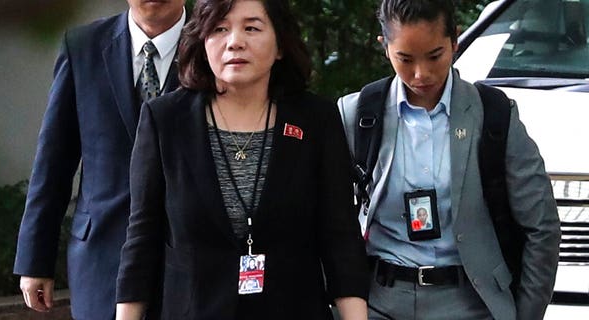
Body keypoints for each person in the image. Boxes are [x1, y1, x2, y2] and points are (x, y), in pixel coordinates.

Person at [115, 0, 369, 319]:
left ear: (280, 45)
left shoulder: (315, 119)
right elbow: (142, 238)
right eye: (220, 28)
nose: (235, 41)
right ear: (202, 40)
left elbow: (340, 235)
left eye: (252, 27)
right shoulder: (165, 120)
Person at [337, 1, 561, 319]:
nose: (421, 74)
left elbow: (542, 227)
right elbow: (324, 222)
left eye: (434, 56)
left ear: (455, 41)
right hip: (378, 301)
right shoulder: (356, 115)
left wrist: (526, 313)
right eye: (405, 58)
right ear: (384, 47)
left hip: (471, 302)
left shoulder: (494, 114)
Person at [13, 1, 186, 319]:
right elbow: (54, 159)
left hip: (188, 260)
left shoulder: (213, 45)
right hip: (101, 255)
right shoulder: (83, 46)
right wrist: (35, 258)